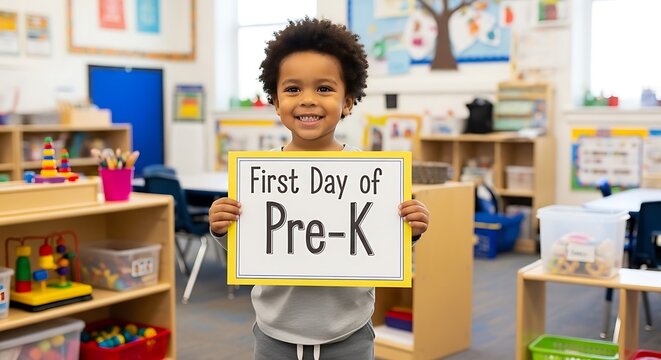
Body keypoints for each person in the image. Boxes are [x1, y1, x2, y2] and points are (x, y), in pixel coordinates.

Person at [208, 17, 429, 360]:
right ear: (276, 101)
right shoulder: (258, 175)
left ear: (348, 101)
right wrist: (222, 229)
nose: (308, 100)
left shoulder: (370, 175)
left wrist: (410, 231)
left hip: (349, 336)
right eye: (293, 89)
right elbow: (249, 245)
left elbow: (384, 240)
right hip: (273, 336)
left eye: (324, 89)